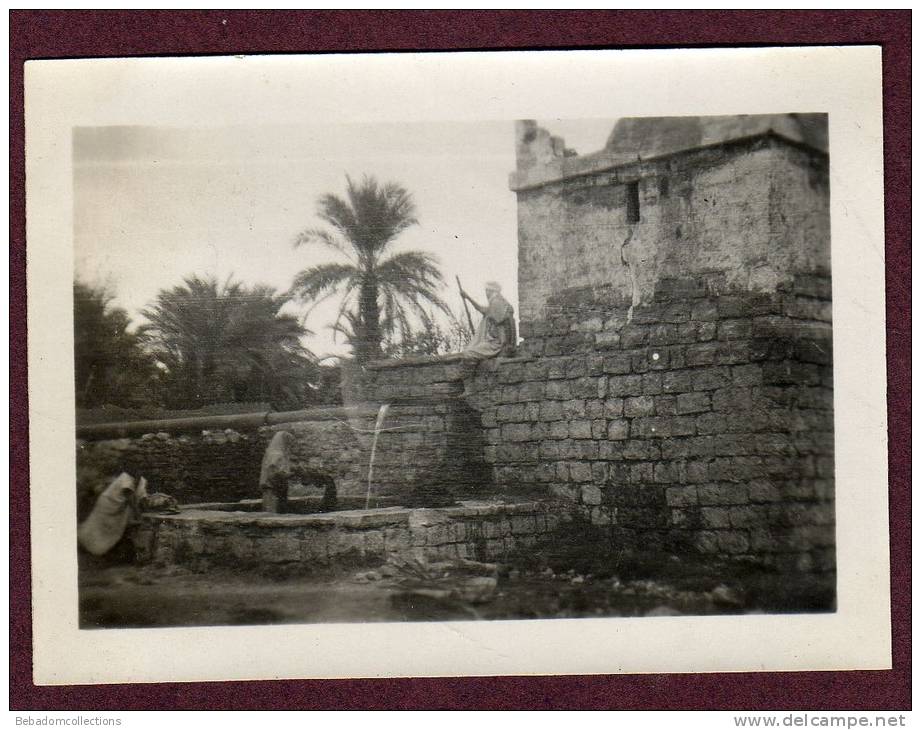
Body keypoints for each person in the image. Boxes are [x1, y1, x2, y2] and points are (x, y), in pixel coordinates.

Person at [458, 281, 516, 394]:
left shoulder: (497, 303)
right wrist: (468, 297)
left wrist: (508, 345)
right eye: (486, 290)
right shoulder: (496, 303)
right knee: (468, 352)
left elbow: (508, 323)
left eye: (487, 291)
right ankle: (469, 387)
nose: (486, 293)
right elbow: (482, 309)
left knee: (468, 354)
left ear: (493, 291)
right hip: (494, 342)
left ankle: (469, 388)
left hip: (496, 344)